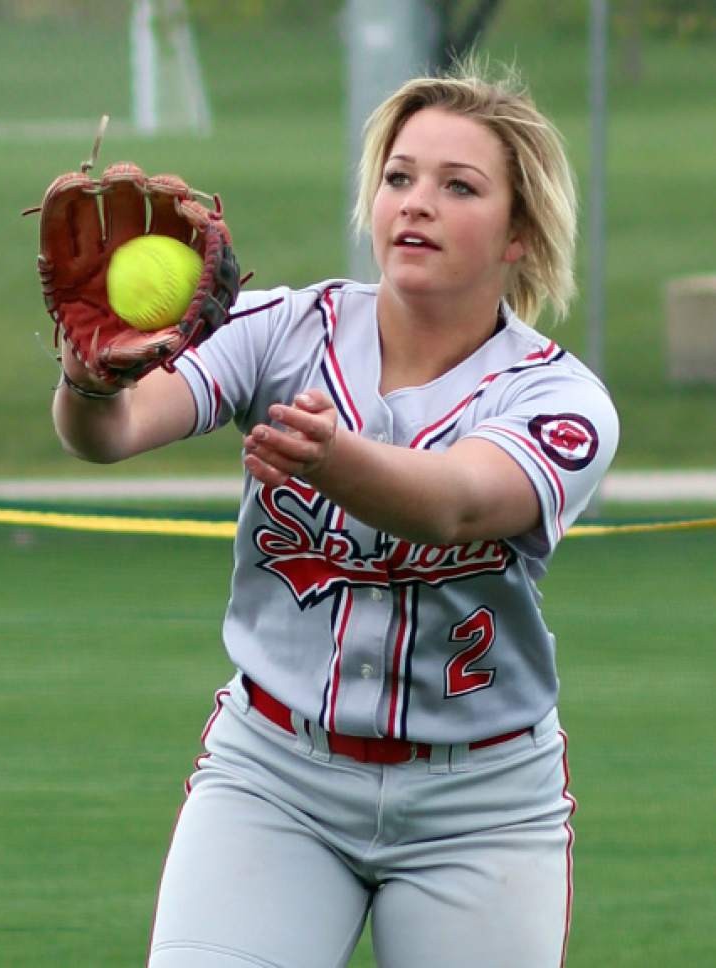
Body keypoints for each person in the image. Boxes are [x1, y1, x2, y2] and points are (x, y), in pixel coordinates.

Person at [53, 61, 619, 968]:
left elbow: (460, 503)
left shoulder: (559, 399)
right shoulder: (282, 327)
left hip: (480, 805)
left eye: (457, 186)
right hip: (274, 776)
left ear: (518, 234)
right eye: (398, 177)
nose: (415, 203)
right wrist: (88, 378)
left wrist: (332, 458)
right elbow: (110, 434)